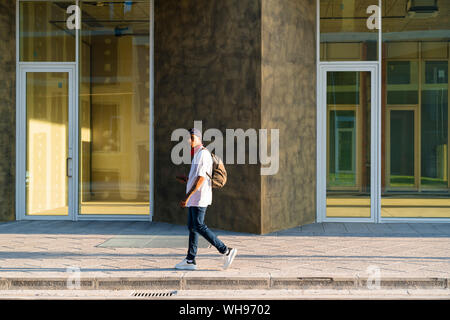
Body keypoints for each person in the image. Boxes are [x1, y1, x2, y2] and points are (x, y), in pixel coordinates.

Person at [174, 128, 237, 270]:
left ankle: (226, 250)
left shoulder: (202, 154)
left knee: (199, 226)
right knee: (192, 227)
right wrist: (187, 179)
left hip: (199, 198)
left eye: (192, 137)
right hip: (195, 198)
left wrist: (187, 196)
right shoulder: (196, 154)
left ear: (199, 138)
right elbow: (197, 177)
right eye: (188, 137)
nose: (189, 140)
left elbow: (202, 178)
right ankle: (190, 260)